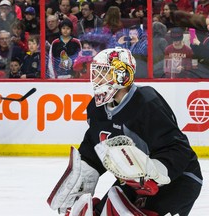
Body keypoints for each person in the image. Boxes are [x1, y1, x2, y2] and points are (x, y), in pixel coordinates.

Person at [47, 47, 203, 216]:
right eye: (96, 72)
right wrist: (84, 174)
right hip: (134, 182)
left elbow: (178, 149)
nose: (97, 79)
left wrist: (153, 173)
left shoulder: (146, 103)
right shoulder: (96, 108)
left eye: (104, 72)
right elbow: (94, 146)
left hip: (180, 178)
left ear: (123, 76)